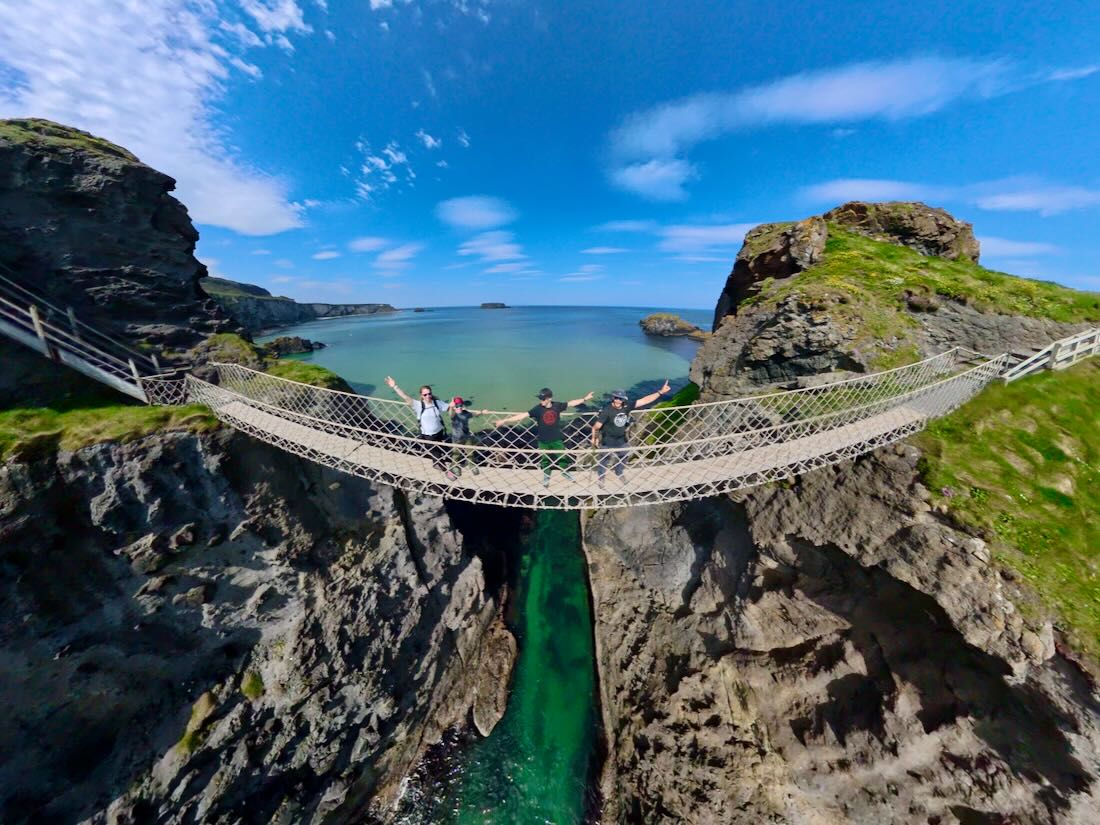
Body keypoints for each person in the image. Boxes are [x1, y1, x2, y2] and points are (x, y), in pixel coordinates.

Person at [494, 386, 594, 487]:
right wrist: (504, 421)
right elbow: (522, 415)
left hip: (556, 439)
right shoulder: (538, 409)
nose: (541, 401)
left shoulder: (557, 406)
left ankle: (565, 472)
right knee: (545, 460)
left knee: (563, 457)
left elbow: (571, 403)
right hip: (543, 440)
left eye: (543, 399)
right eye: (540, 398)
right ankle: (546, 477)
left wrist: (585, 399)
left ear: (549, 398)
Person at [591, 380, 671, 486]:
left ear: (624, 399)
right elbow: (596, 427)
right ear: (613, 398)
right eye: (616, 398)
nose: (618, 400)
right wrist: (594, 438)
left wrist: (660, 392)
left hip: (621, 439)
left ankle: (619, 472)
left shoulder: (627, 406)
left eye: (620, 398)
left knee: (624, 455)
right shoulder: (607, 411)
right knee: (604, 459)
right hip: (607, 439)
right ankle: (601, 477)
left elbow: (645, 400)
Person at [385, 376, 456, 480]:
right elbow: (405, 396)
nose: (428, 396)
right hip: (428, 436)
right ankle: (447, 471)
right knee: (436, 452)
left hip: (440, 432)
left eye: (429, 393)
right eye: (425, 394)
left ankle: (436, 464)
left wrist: (453, 405)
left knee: (439, 451)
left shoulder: (437, 403)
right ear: (422, 396)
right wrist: (394, 386)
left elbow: (448, 408)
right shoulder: (418, 405)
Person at [449, 396, 489, 476]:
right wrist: (451, 406)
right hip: (456, 439)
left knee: (470, 452)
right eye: (457, 406)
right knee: (456, 454)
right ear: (454, 407)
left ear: (463, 405)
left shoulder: (466, 413)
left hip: (467, 437)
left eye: (460, 405)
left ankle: (471, 465)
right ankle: (454, 466)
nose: (459, 407)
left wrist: (482, 412)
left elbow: (474, 414)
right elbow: (450, 413)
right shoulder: (453, 415)